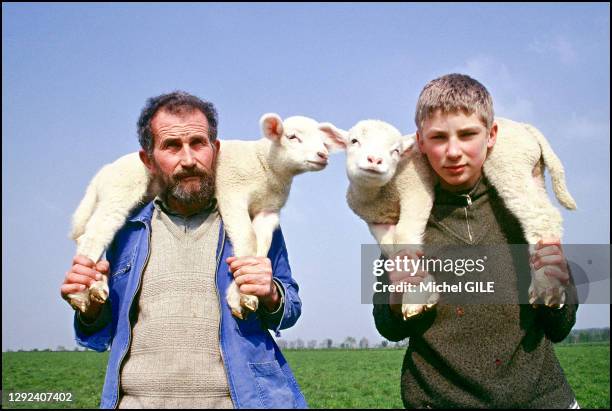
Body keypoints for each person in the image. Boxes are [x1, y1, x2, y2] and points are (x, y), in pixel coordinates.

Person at [61, 91, 307, 409]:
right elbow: (101, 334)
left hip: (236, 401)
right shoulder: (127, 231)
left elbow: (290, 309)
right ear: (148, 160)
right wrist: (90, 307)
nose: (188, 159)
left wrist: (271, 293)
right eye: (172, 146)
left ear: (215, 150)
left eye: (198, 143)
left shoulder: (253, 221)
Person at [373, 74, 580, 408]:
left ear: (491, 135)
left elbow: (561, 326)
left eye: (468, 134)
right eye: (438, 137)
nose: (453, 152)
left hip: (542, 399)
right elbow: (388, 327)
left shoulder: (525, 210)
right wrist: (398, 295)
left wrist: (558, 288)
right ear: (420, 142)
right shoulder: (407, 220)